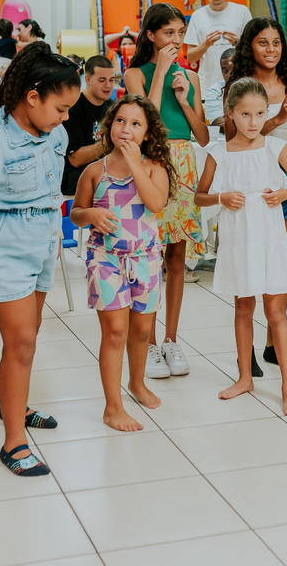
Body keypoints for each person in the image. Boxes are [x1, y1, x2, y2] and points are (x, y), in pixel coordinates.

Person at [0, 42, 82, 475]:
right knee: (21, 340)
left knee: (28, 336)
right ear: (32, 97)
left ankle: (17, 407)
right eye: (60, 108)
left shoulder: (55, 132)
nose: (65, 118)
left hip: (43, 235)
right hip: (2, 242)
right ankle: (13, 443)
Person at [196, 78, 287, 414]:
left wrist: (282, 193)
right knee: (243, 308)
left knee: (276, 312)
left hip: (270, 241)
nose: (254, 121)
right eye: (245, 114)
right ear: (231, 113)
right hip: (239, 241)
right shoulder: (219, 153)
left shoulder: (275, 147)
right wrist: (221, 197)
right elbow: (199, 197)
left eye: (260, 114)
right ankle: (245, 377)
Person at [73, 95, 176, 431]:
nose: (126, 129)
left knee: (143, 329)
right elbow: (75, 214)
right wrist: (90, 214)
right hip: (105, 260)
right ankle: (112, 406)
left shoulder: (152, 167)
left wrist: (135, 165)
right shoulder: (93, 170)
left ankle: (137, 382)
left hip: (145, 258)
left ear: (147, 134)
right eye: (120, 121)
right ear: (109, 125)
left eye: (136, 124)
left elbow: (156, 203)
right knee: (115, 332)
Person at [124, 3, 210, 378]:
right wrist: (160, 73)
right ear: (151, 36)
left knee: (177, 259)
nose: (176, 40)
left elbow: (203, 134)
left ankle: (172, 340)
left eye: (180, 32)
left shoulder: (190, 78)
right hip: (151, 163)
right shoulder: (134, 75)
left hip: (185, 164)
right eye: (169, 33)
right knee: (150, 259)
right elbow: (145, 120)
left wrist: (184, 99)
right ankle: (151, 343)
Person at [185, 0, 251, 95]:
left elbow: (253, 52)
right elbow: (191, 57)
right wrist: (206, 44)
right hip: (207, 87)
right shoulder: (197, 16)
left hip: (239, 84)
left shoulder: (242, 12)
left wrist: (237, 43)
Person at [61, 55, 116, 197]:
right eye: (102, 80)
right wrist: (109, 143)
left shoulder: (113, 107)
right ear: (87, 80)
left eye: (112, 80)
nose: (108, 85)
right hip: (77, 184)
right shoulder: (72, 109)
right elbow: (76, 159)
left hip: (107, 177)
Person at [202, 49, 235, 130]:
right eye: (225, 71)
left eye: (233, 69)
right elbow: (218, 123)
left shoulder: (255, 86)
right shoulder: (214, 90)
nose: (228, 74)